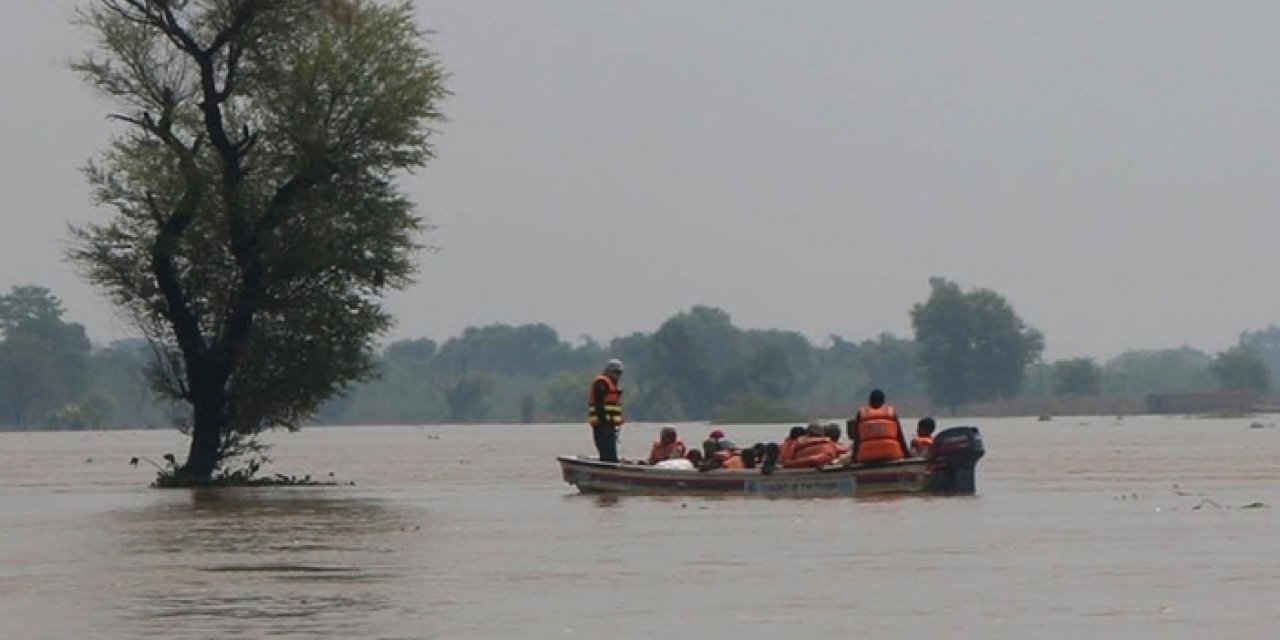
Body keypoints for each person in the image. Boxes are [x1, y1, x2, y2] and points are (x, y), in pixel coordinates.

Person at [846, 388, 910, 464]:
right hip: (891, 455)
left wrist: (853, 460)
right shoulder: (891, 413)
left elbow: (857, 440)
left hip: (867, 457)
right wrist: (908, 456)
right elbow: (900, 437)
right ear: (883, 401)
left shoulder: (861, 414)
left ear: (869, 401)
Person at [587, 359, 625, 462]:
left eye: (620, 373)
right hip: (603, 424)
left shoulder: (611, 384)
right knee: (607, 453)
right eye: (616, 372)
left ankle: (611, 466)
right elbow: (599, 404)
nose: (618, 375)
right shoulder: (601, 382)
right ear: (608, 371)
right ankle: (610, 468)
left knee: (610, 453)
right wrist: (604, 422)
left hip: (609, 425)